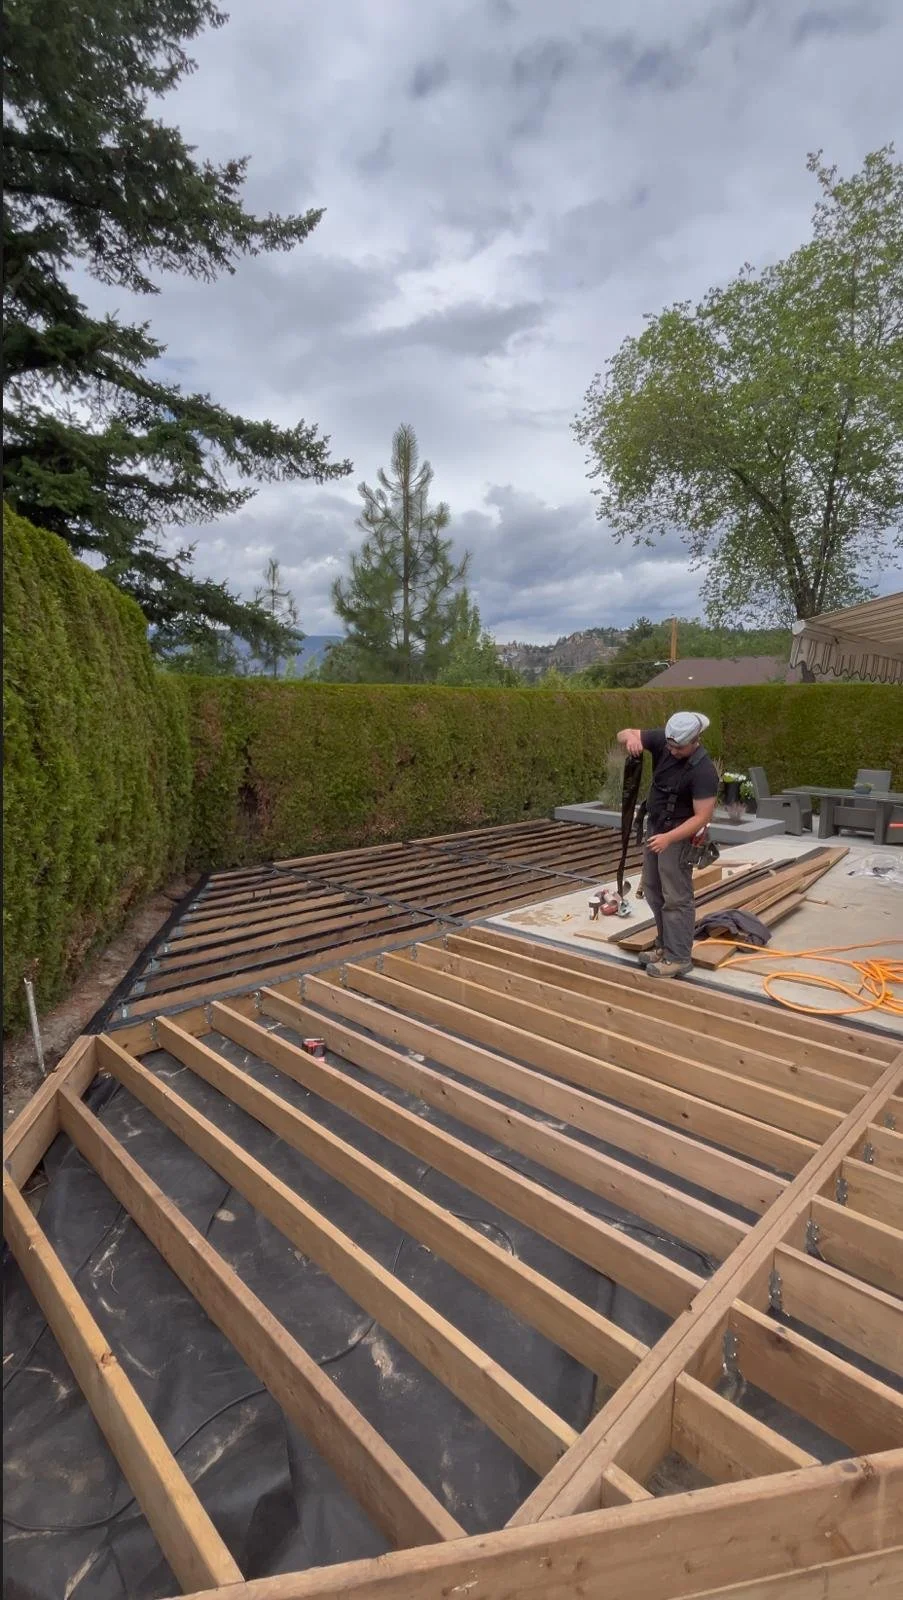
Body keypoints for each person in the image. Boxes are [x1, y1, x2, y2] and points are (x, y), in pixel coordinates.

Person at [616, 711, 719, 979]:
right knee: (652, 889)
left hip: (678, 837)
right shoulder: (666, 739)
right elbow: (625, 732)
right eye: (670, 746)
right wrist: (630, 739)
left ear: (695, 740)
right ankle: (665, 946)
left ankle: (679, 957)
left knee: (676, 897)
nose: (671, 751)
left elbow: (703, 816)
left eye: (678, 748)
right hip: (656, 828)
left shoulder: (704, 771)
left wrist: (669, 838)